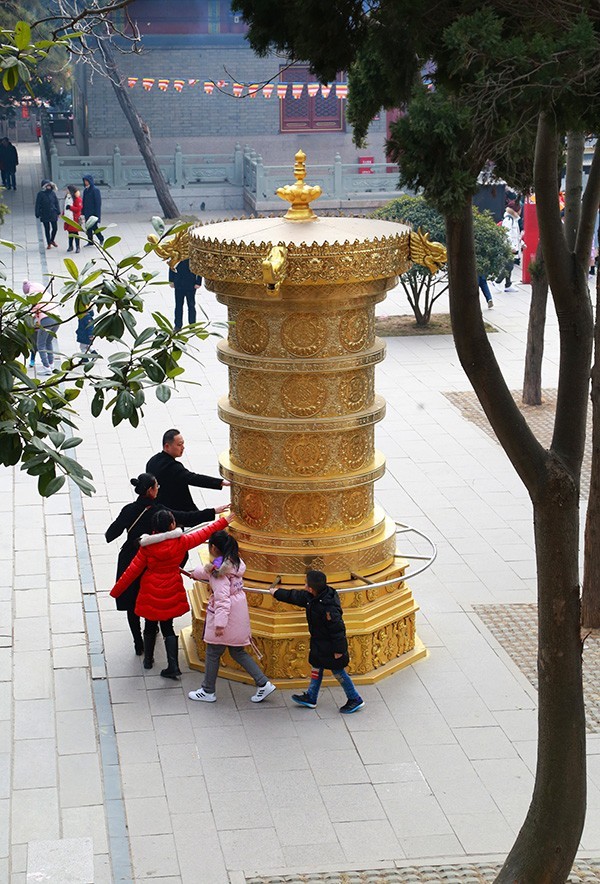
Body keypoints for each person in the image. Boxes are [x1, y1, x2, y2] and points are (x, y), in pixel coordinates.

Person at [105, 472, 230, 655]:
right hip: (150, 563)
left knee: (131, 603)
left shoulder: (128, 510)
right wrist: (214, 512)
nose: (158, 490)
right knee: (149, 600)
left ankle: (138, 643)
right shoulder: (159, 512)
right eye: (157, 487)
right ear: (150, 490)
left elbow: (110, 535)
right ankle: (152, 632)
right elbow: (187, 517)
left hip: (128, 559)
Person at [110, 508, 233, 678]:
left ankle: (148, 660)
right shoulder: (181, 541)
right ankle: (173, 666)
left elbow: (132, 571)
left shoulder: (147, 547)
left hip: (150, 588)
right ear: (172, 524)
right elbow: (205, 532)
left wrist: (116, 592)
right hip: (171, 587)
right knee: (168, 626)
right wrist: (225, 521)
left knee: (150, 623)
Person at [187, 531, 276, 704]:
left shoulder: (219, 575)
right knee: (237, 651)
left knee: (213, 652)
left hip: (225, 617)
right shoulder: (233, 564)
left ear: (213, 547)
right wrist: (196, 573)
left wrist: (219, 625)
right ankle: (263, 683)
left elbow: (222, 599)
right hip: (238, 611)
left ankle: (208, 690)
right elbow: (207, 571)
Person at [270, 569, 364, 714]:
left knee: (338, 671)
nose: (304, 585)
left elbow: (338, 630)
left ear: (310, 588)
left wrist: (339, 651)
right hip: (319, 642)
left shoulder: (328, 608)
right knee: (316, 667)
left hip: (331, 647)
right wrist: (276, 593)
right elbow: (294, 596)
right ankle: (311, 696)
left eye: (305, 583)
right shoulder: (313, 597)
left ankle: (354, 698)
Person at [146, 428, 229, 513]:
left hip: (160, 508)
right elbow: (193, 478)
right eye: (179, 444)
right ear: (167, 446)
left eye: (183, 444)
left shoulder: (152, 461)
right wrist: (220, 482)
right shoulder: (173, 467)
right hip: (177, 510)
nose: (183, 447)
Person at [495, 200, 523, 293]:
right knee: (509, 265)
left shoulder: (514, 219)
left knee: (510, 266)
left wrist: (522, 244)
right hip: (509, 247)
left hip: (513, 246)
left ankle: (508, 284)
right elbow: (507, 234)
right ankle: (498, 281)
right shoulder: (509, 219)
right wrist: (511, 247)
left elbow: (516, 235)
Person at [169, 259, 202, 330]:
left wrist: (198, 282)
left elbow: (199, 266)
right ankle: (178, 325)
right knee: (178, 306)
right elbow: (171, 265)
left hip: (191, 284)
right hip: (179, 284)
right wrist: (171, 280)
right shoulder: (178, 254)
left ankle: (192, 325)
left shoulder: (193, 254)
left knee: (191, 305)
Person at [23, 279, 45, 368]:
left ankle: (46, 363)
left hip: (40, 328)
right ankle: (33, 360)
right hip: (34, 330)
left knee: (41, 346)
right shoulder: (32, 307)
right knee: (34, 346)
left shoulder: (41, 305)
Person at [35, 180, 60, 249]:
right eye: (47, 186)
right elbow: (37, 204)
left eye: (49, 185)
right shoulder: (40, 194)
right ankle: (49, 242)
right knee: (47, 229)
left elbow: (56, 202)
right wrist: (37, 213)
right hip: (44, 213)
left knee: (55, 228)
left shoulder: (53, 193)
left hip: (53, 213)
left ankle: (52, 240)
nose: (48, 187)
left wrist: (58, 211)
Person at [82, 175, 104, 246]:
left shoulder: (95, 190)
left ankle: (101, 238)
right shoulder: (85, 190)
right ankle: (90, 241)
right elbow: (84, 202)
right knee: (88, 227)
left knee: (94, 227)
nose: (85, 182)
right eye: (84, 181)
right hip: (87, 212)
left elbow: (98, 203)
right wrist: (82, 212)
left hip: (93, 212)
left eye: (87, 181)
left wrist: (97, 215)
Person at [64, 184, 83, 252]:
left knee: (75, 233)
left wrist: (70, 207)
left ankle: (77, 247)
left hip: (74, 219)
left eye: (67, 189)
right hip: (69, 218)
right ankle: (70, 246)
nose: (66, 191)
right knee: (70, 233)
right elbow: (66, 208)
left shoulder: (77, 199)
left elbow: (78, 209)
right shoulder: (68, 198)